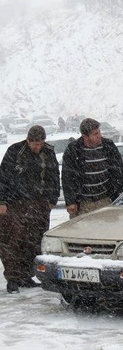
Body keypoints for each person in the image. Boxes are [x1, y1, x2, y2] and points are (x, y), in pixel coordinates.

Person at [0, 125, 60, 293]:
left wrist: (52, 199)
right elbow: (3, 177)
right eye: (34, 144)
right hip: (16, 204)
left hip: (40, 204)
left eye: (40, 143)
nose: (37, 147)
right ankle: (13, 278)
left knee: (33, 243)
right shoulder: (15, 151)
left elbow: (54, 176)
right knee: (12, 243)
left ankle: (26, 275)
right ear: (28, 140)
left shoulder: (48, 152)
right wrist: (2, 201)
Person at [62, 118, 123, 218]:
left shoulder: (108, 146)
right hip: (84, 203)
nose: (99, 136)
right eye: (95, 134)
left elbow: (120, 170)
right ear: (85, 136)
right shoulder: (74, 150)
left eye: (99, 132)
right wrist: (70, 201)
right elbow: (67, 177)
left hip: (106, 199)